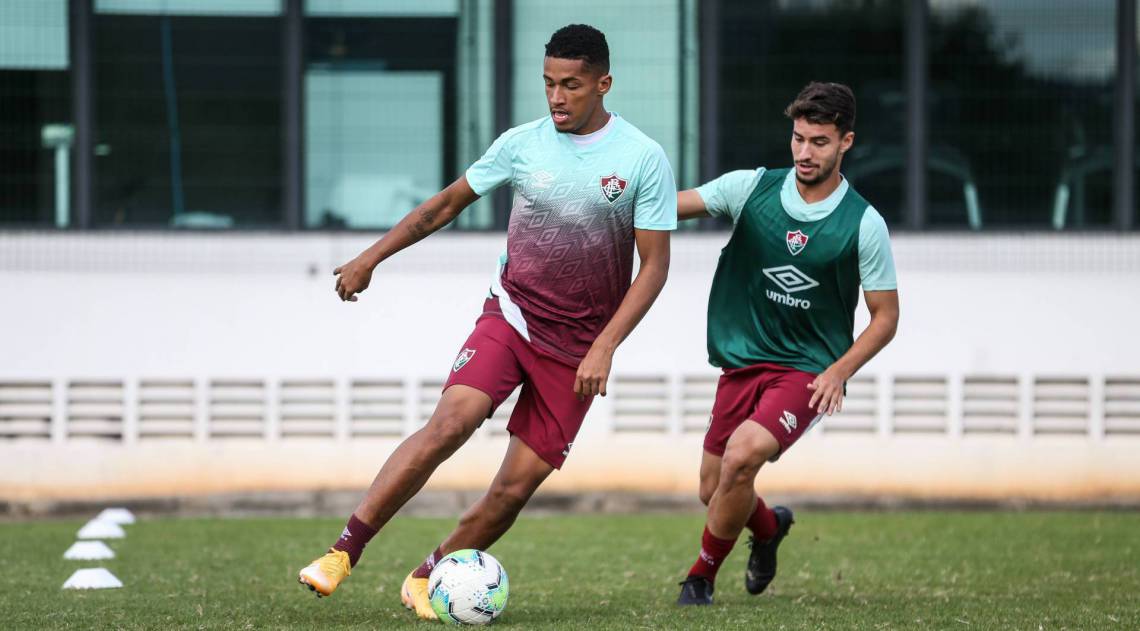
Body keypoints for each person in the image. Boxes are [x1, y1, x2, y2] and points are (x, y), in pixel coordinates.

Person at [297, 24, 677, 620]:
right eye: (548, 83)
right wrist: (371, 257)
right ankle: (343, 551)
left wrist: (605, 345)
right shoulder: (521, 144)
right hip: (513, 315)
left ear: (603, 84)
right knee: (451, 422)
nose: (557, 97)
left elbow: (654, 268)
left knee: (510, 493)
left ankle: (430, 572)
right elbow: (443, 206)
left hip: (578, 350)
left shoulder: (642, 159)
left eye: (571, 86)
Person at [674, 82, 899, 606]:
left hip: (807, 369)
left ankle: (699, 577)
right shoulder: (751, 188)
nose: (803, 152)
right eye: (798, 138)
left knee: (742, 457)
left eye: (819, 142)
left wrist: (840, 370)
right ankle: (770, 527)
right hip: (742, 360)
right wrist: (607, 202)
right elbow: (668, 209)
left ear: (846, 142)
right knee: (715, 490)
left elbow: (885, 317)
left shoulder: (864, 223)